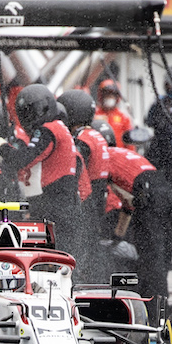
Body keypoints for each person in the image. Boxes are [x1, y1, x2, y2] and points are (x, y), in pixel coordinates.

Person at [0, 84, 79, 253]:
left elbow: (23, 160)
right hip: (64, 199)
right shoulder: (61, 128)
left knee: (50, 251)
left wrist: (1, 146)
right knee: (62, 251)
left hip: (56, 201)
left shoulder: (49, 130)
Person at [104, 129, 172, 322]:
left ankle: (155, 317)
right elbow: (128, 204)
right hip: (165, 193)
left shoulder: (102, 157)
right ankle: (161, 310)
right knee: (162, 260)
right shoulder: (124, 155)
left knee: (150, 262)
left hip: (149, 195)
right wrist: (118, 237)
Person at [59, 89, 110, 282]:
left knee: (81, 245)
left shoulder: (82, 139)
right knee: (91, 244)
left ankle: (80, 282)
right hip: (100, 193)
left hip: (88, 197)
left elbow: (76, 168)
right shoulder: (95, 134)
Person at [93, 79, 134, 148]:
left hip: (118, 154)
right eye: (107, 95)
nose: (109, 97)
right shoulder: (94, 114)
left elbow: (130, 143)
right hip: (99, 153)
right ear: (101, 96)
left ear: (117, 97)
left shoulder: (123, 117)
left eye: (112, 95)